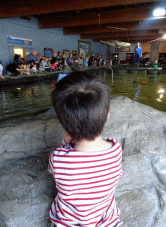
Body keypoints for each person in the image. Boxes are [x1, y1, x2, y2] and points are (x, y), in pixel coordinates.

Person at [48, 71, 123, 227]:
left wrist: (67, 142)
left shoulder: (57, 158)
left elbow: (54, 172)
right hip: (105, 220)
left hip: (68, 222)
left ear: (63, 123)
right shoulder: (115, 149)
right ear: (107, 114)